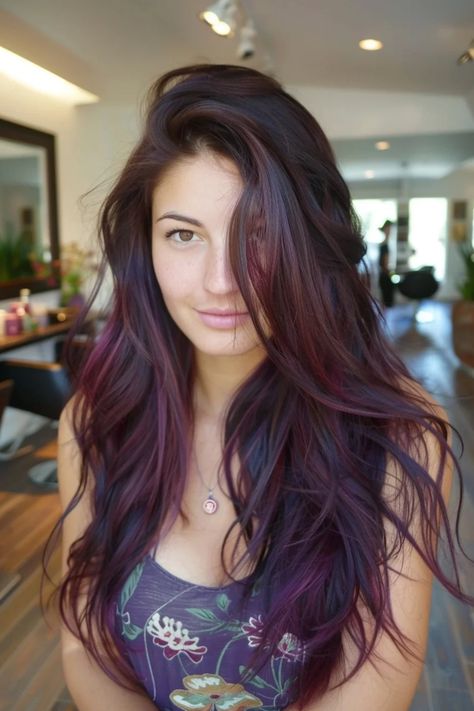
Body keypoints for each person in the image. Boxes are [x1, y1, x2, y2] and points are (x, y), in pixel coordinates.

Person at [49, 65, 472, 711]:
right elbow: (85, 645)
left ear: (311, 240)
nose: (221, 280)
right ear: (147, 245)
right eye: (183, 234)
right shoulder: (95, 422)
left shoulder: (400, 437)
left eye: (259, 232)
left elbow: (377, 683)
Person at [378, 219, 395, 308]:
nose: (390, 231)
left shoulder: (386, 244)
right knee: (387, 302)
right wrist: (390, 274)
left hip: (384, 275)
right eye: (388, 229)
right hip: (385, 275)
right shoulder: (384, 245)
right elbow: (385, 264)